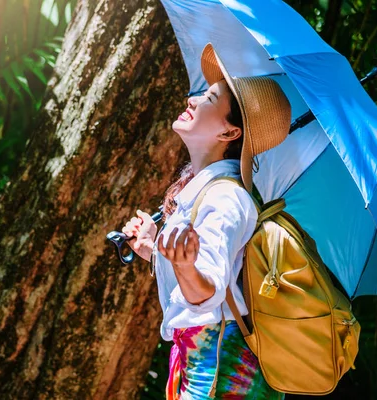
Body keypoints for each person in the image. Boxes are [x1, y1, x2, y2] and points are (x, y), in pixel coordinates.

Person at [121, 43, 291, 399]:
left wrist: (182, 266)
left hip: (215, 369)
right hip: (202, 360)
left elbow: (207, 290)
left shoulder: (225, 197)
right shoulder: (206, 193)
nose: (193, 99)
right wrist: (155, 249)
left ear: (230, 134)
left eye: (209, 99)